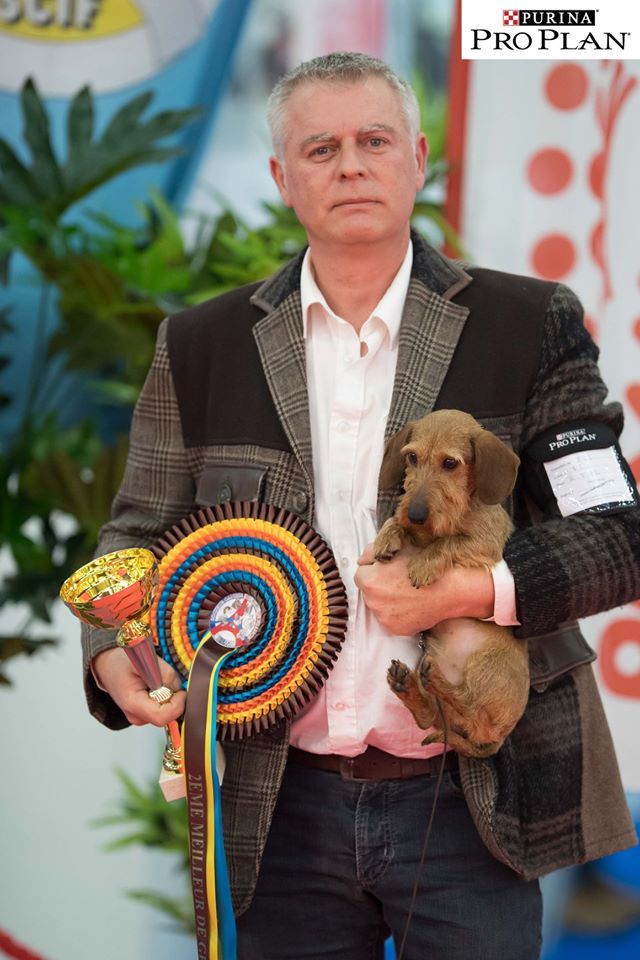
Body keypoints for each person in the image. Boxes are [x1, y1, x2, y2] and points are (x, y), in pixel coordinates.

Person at [81, 52, 639, 959]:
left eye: (374, 141)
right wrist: (112, 653)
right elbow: (135, 535)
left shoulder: (526, 322)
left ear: (417, 158)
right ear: (282, 177)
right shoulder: (200, 344)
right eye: (321, 147)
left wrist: (468, 594)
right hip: (275, 804)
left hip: (472, 804)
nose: (350, 165)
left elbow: (619, 536)